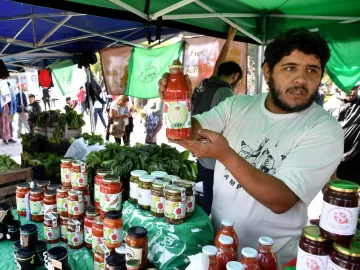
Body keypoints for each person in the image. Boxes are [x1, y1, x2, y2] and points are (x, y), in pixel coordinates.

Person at [158, 28, 343, 266]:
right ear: (268, 72)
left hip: (270, 258)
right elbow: (187, 134)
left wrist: (225, 155)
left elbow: (281, 199)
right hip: (218, 247)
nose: (301, 80)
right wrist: (176, 102)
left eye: (312, 70)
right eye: (290, 68)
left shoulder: (324, 129)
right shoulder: (237, 106)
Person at [191, 26, 242, 215]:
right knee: (213, 196)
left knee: (204, 186)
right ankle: (210, 229)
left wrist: (230, 38)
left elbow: (218, 66)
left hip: (198, 143)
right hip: (212, 150)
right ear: (235, 76)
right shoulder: (226, 92)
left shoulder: (206, 83)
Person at [324, 83, 360, 184]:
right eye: (349, 88)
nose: (353, 92)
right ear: (339, 88)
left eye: (355, 88)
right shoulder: (329, 106)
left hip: (355, 157)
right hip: (334, 158)